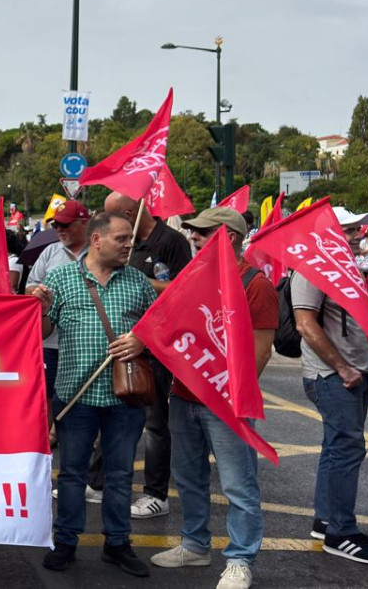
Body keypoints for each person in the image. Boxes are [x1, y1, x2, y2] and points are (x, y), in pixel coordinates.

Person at [150, 207, 276, 589]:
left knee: (239, 485)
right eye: (194, 231)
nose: (193, 237)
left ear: (230, 238)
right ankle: (194, 544)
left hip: (226, 403)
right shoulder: (192, 276)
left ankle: (240, 559)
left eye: (203, 233)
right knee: (188, 478)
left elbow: (261, 350)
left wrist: (231, 395)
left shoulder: (256, 283)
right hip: (184, 396)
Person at [28, 211, 156, 577]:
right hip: (75, 393)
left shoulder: (138, 283)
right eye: (121, 239)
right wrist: (43, 311)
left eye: (130, 239)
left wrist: (142, 342)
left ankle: (117, 543)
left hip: (124, 397)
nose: (129, 245)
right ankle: (65, 541)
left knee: (118, 474)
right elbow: (43, 333)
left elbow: (158, 331)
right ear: (97, 240)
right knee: (71, 473)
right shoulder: (61, 279)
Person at [295, 206, 368, 564]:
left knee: (336, 449)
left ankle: (327, 520)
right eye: (347, 230)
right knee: (346, 450)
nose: (356, 235)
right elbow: (306, 324)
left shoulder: (343, 264)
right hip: (333, 375)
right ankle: (340, 532)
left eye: (356, 230)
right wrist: (342, 368)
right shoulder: (312, 267)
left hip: (355, 371)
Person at [104, 191, 193, 519]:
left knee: (155, 422)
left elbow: (188, 288)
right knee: (112, 413)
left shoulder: (171, 242)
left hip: (157, 344)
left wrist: (145, 282)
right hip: (122, 340)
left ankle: (156, 493)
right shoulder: (126, 246)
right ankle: (98, 482)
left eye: (116, 217)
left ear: (131, 212)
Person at [24, 200, 91, 439]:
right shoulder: (50, 251)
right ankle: (52, 432)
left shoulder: (98, 252)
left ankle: (84, 435)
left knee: (84, 389)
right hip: (51, 338)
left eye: (65, 225)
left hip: (85, 339)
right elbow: (29, 286)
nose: (59, 230)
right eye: (56, 225)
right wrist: (40, 294)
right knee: (48, 389)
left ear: (84, 223)